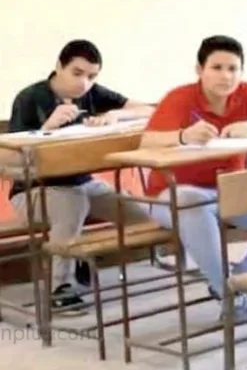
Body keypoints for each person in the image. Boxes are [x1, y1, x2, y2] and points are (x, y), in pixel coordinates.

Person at [140, 35, 247, 324]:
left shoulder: (246, 93)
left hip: (228, 193)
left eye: (233, 69)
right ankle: (229, 296)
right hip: (171, 196)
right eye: (217, 68)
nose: (226, 76)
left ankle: (236, 283)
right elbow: (147, 141)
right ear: (200, 70)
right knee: (191, 202)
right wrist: (183, 136)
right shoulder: (180, 97)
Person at [6, 39, 154, 311]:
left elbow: (148, 110)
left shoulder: (93, 93)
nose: (84, 83)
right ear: (59, 67)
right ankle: (60, 287)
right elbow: (13, 159)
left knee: (143, 214)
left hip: (83, 184)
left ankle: (80, 260)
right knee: (71, 202)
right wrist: (48, 127)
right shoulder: (29, 98)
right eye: (77, 73)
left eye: (91, 76)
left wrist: (114, 116)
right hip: (32, 191)